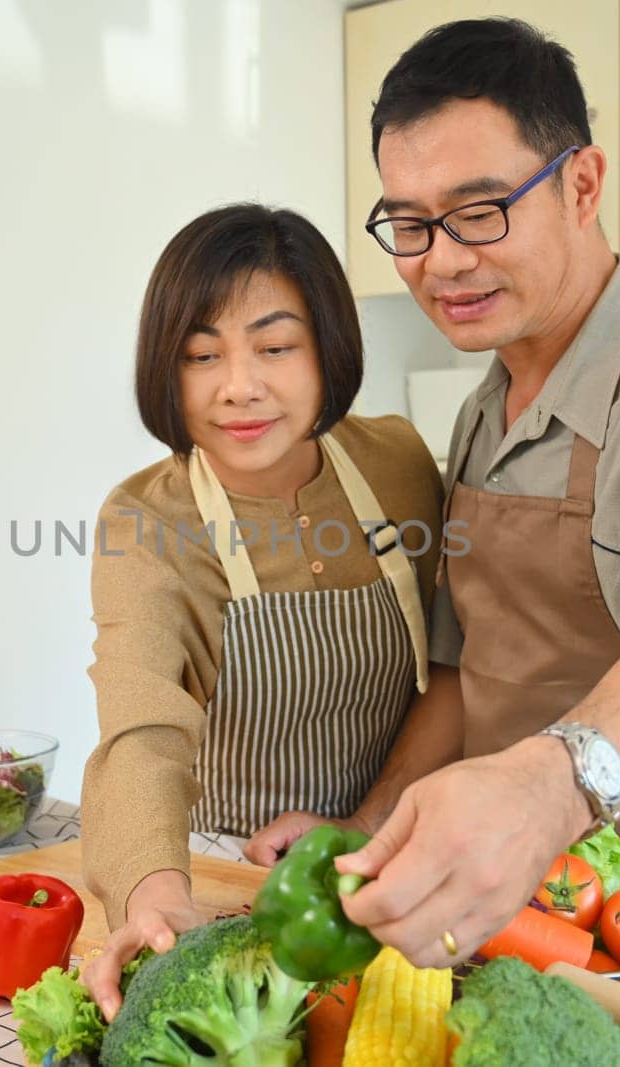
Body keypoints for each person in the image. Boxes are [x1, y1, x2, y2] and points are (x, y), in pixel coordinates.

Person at [249, 18, 620, 968]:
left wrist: (543, 789)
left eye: (479, 210)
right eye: (411, 222)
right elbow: (464, 673)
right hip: (523, 926)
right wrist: (368, 825)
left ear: (583, 185)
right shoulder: (483, 409)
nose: (443, 260)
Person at [78, 203, 446, 1018]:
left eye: (275, 347)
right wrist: (156, 891)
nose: (239, 386)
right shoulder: (146, 522)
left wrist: (366, 821)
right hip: (226, 878)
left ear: (328, 351)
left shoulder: (400, 465)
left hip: (389, 861)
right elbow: (140, 729)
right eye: (202, 354)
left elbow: (456, 668)